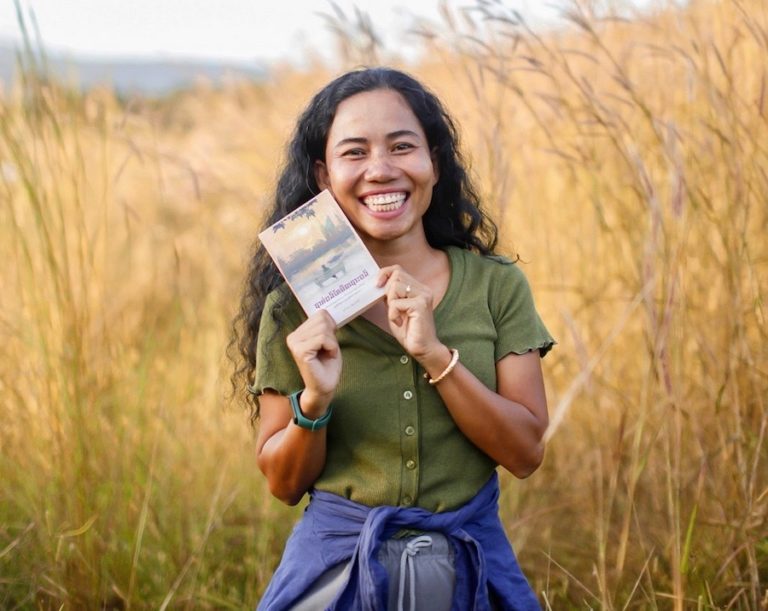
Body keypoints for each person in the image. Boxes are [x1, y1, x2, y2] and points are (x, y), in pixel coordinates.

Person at [231, 67, 555, 611]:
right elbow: (283, 485)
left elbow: (525, 453)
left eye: (402, 146)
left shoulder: (496, 287)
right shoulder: (292, 308)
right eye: (353, 153)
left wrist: (436, 355)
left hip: (472, 572)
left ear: (434, 160)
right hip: (335, 573)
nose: (380, 171)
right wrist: (314, 402)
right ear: (323, 175)